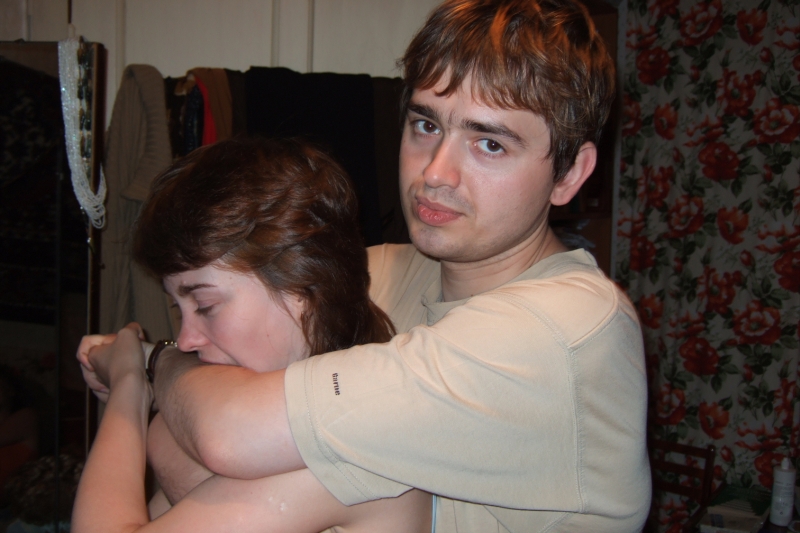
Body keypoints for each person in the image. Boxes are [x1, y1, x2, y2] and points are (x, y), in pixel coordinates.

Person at [82, 0, 651, 530]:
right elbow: (202, 418)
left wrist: (147, 366)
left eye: (490, 144)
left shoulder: (562, 334)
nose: (435, 173)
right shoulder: (390, 271)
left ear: (569, 174)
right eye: (426, 125)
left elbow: (227, 432)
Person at [73, 138, 431, 532]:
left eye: (205, 305)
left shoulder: (348, 445)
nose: (186, 340)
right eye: (178, 308)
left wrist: (129, 385)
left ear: (302, 283)